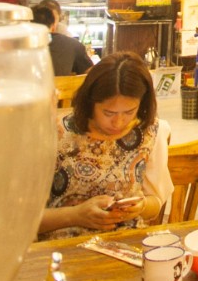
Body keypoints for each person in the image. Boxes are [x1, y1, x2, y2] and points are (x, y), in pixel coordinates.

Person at [39, 52, 173, 239]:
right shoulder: (57, 133)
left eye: (129, 112)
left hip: (125, 243)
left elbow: (155, 203)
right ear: (90, 102)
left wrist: (140, 207)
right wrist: (76, 215)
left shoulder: (151, 132)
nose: (118, 122)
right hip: (65, 246)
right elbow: (24, 219)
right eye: (108, 113)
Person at [33, 0, 93, 77]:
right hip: (62, 85)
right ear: (53, 25)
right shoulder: (73, 45)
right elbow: (91, 74)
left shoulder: (20, 47)